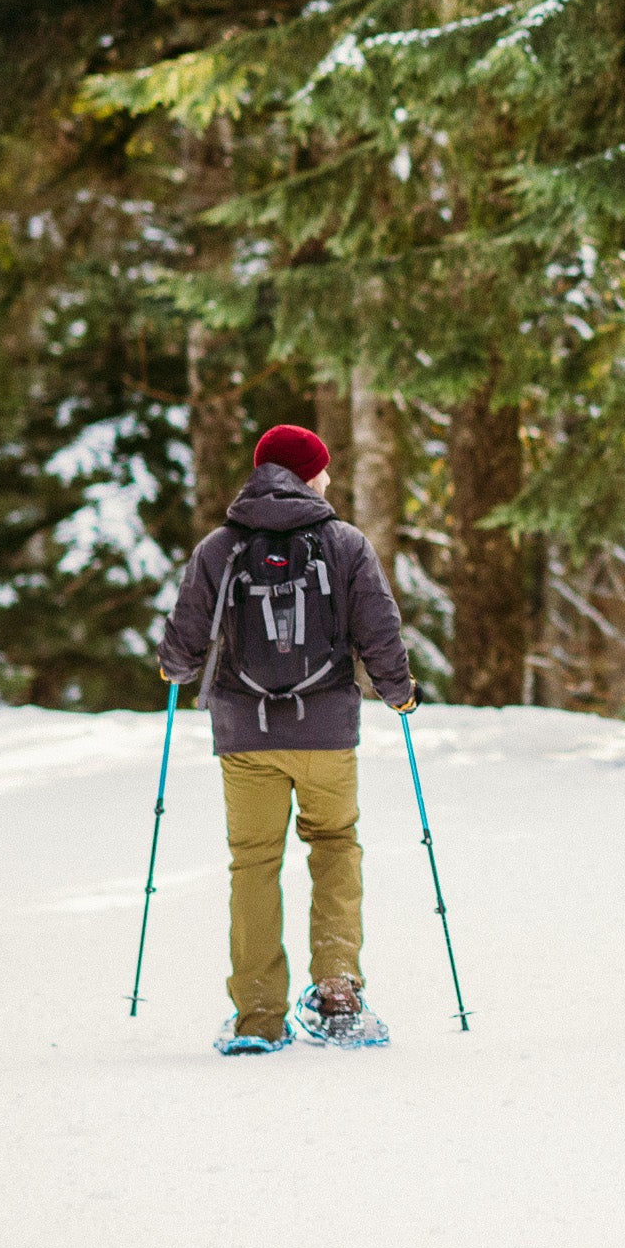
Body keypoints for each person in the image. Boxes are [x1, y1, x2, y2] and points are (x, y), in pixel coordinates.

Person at [159, 423, 417, 1056]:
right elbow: (378, 629)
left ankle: (258, 1019)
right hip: (327, 730)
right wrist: (399, 691)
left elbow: (184, 640)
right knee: (334, 846)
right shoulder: (345, 544)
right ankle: (337, 994)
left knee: (253, 863)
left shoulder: (219, 547)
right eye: (321, 469)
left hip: (245, 734)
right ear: (307, 474)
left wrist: (173, 666)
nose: (327, 478)